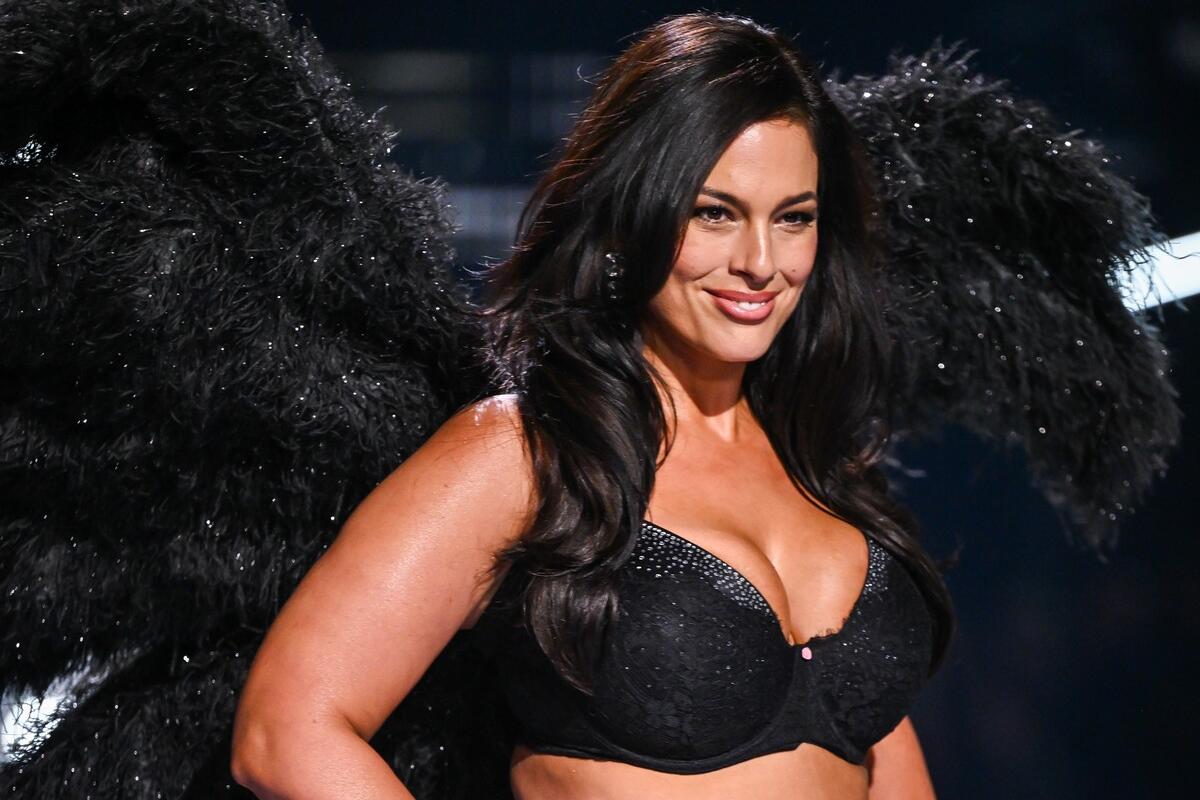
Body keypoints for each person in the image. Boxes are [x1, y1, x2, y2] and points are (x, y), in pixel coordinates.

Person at [230, 12, 951, 799]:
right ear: (632, 215)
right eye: (714, 213)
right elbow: (286, 730)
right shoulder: (525, 455)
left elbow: (878, 755)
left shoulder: (821, 466)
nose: (760, 262)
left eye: (793, 219)